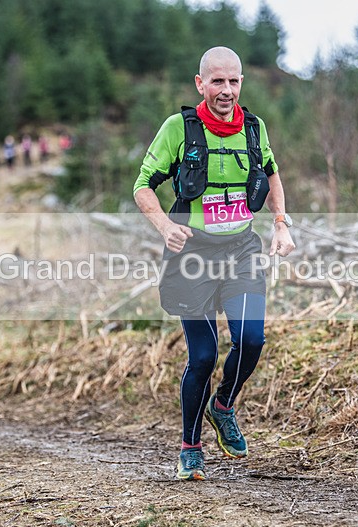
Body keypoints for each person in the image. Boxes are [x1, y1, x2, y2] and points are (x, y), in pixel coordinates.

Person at [133, 46, 295, 481]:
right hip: (192, 254)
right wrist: (164, 225)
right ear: (200, 84)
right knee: (202, 357)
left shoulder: (255, 128)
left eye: (234, 81)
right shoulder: (179, 129)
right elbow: (143, 185)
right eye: (218, 81)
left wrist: (280, 223)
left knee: (252, 339)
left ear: (242, 83)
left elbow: (272, 172)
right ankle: (190, 446)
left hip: (241, 248)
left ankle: (222, 405)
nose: (227, 90)